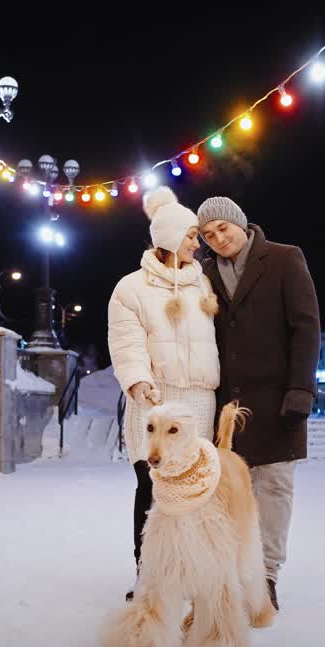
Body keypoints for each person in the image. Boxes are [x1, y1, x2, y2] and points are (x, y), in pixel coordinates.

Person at [197, 196, 321, 611]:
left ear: (240, 223)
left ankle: (266, 574)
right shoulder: (204, 273)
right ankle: (236, 571)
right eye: (208, 235)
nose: (218, 239)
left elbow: (306, 327)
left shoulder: (284, 259)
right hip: (226, 406)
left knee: (275, 487)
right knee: (233, 491)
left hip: (277, 398)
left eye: (223, 228)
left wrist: (300, 390)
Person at [107, 187, 220, 601]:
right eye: (191, 236)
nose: (197, 243)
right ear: (170, 236)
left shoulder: (202, 283)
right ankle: (149, 574)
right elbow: (126, 342)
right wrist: (138, 381)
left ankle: (188, 570)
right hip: (153, 403)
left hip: (198, 404)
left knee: (193, 491)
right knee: (152, 490)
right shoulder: (130, 288)